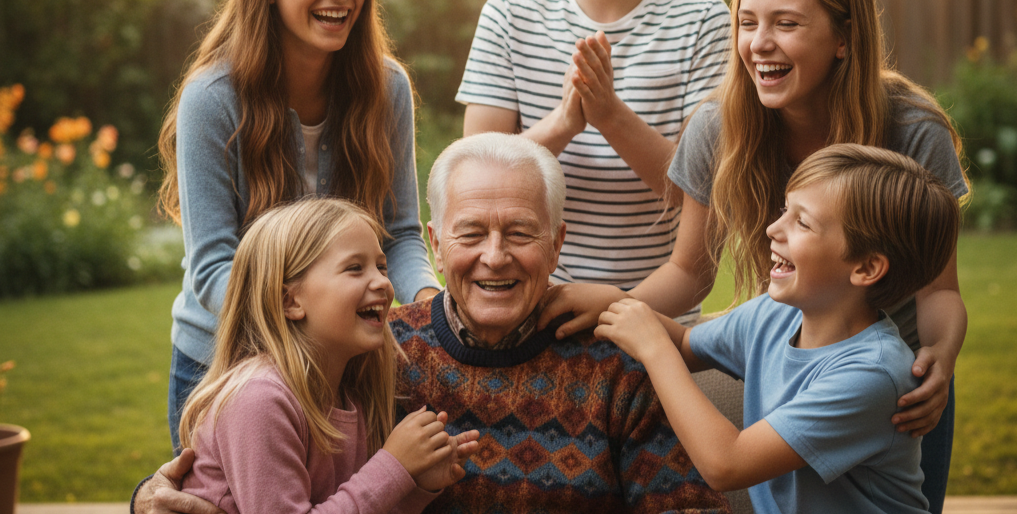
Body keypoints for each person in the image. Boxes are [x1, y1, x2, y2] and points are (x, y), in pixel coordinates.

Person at [542, 0, 968, 512]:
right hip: (797, 354)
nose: (758, 44)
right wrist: (617, 310)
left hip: (896, 393)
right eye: (747, 22)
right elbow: (689, 271)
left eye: (786, 24)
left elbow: (939, 290)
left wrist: (938, 359)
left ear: (844, 38)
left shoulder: (913, 128)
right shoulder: (720, 127)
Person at [130, 133, 729, 514]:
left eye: (520, 232)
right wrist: (147, 499)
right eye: (471, 234)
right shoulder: (373, 350)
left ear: (556, 244)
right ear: (437, 246)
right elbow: (236, 469)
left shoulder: (617, 362)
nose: (495, 256)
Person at [157, 0, 441, 449]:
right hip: (228, 366)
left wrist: (433, 306)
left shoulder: (387, 89)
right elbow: (214, 268)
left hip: (350, 369)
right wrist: (321, 327)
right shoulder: (213, 99)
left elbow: (401, 232)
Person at [457, 0, 730, 319]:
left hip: (656, 316)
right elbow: (470, 184)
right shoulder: (510, 13)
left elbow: (697, 201)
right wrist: (564, 124)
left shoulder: (704, 22)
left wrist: (610, 117)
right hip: (523, 312)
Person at [596, 144, 960, 513]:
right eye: (786, 210)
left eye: (802, 222)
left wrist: (654, 348)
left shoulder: (872, 375)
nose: (773, 228)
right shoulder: (774, 315)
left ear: (866, 268)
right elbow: (686, 343)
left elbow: (727, 464)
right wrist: (606, 301)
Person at [176, 198, 479, 514]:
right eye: (354, 268)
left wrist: (416, 484)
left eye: (381, 266)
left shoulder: (347, 394)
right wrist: (393, 467)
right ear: (290, 300)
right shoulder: (259, 399)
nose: (383, 282)